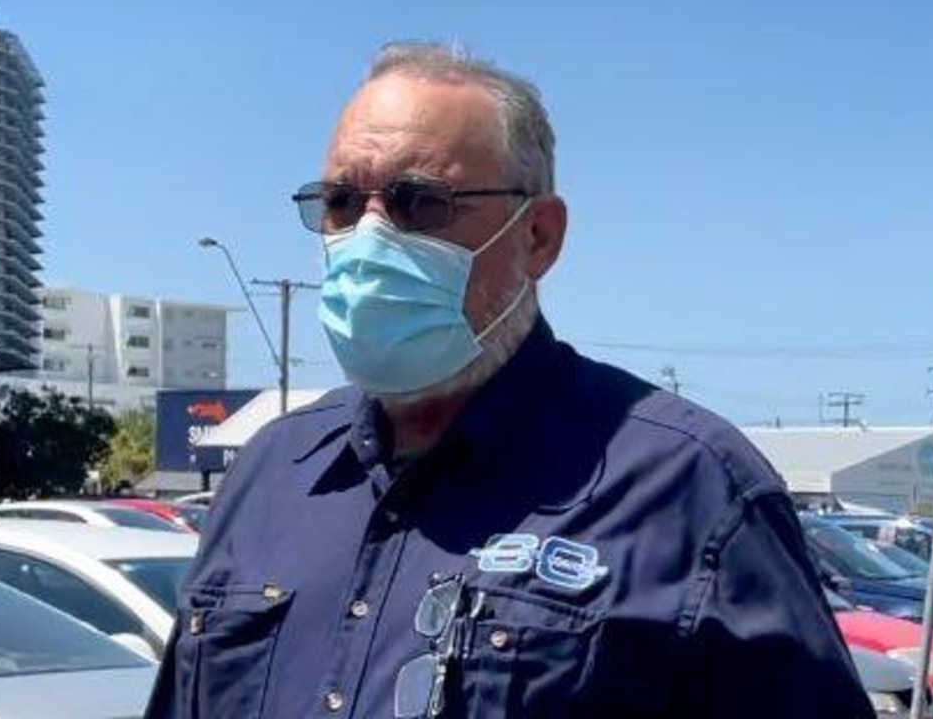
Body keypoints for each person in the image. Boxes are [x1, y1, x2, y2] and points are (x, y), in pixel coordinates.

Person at [146, 42, 872, 719]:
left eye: (417, 203)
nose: (367, 239)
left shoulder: (692, 491)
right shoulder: (273, 472)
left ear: (538, 236)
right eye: (341, 203)